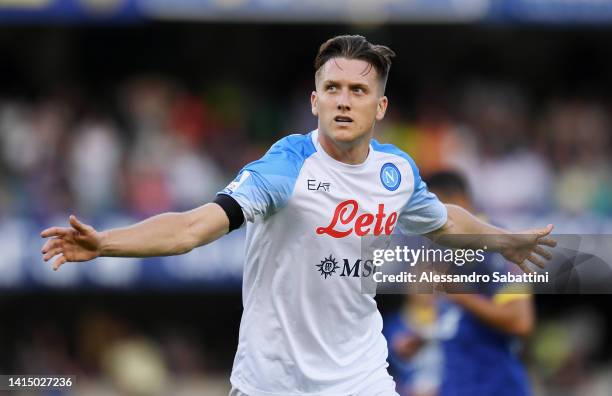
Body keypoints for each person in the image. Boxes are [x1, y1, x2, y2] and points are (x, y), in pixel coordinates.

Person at [40, 35, 555, 396]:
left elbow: (444, 220)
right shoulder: (285, 168)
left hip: (362, 378)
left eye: (358, 91)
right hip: (274, 381)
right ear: (314, 100)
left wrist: (503, 240)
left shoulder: (396, 171)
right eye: (332, 89)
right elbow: (194, 227)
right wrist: (107, 242)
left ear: (380, 107)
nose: (344, 101)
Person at [426, 170, 535, 396]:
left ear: (459, 201)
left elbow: (520, 321)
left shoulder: (495, 248)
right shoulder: (446, 250)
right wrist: (420, 338)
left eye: (430, 209)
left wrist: (459, 296)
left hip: (495, 387)